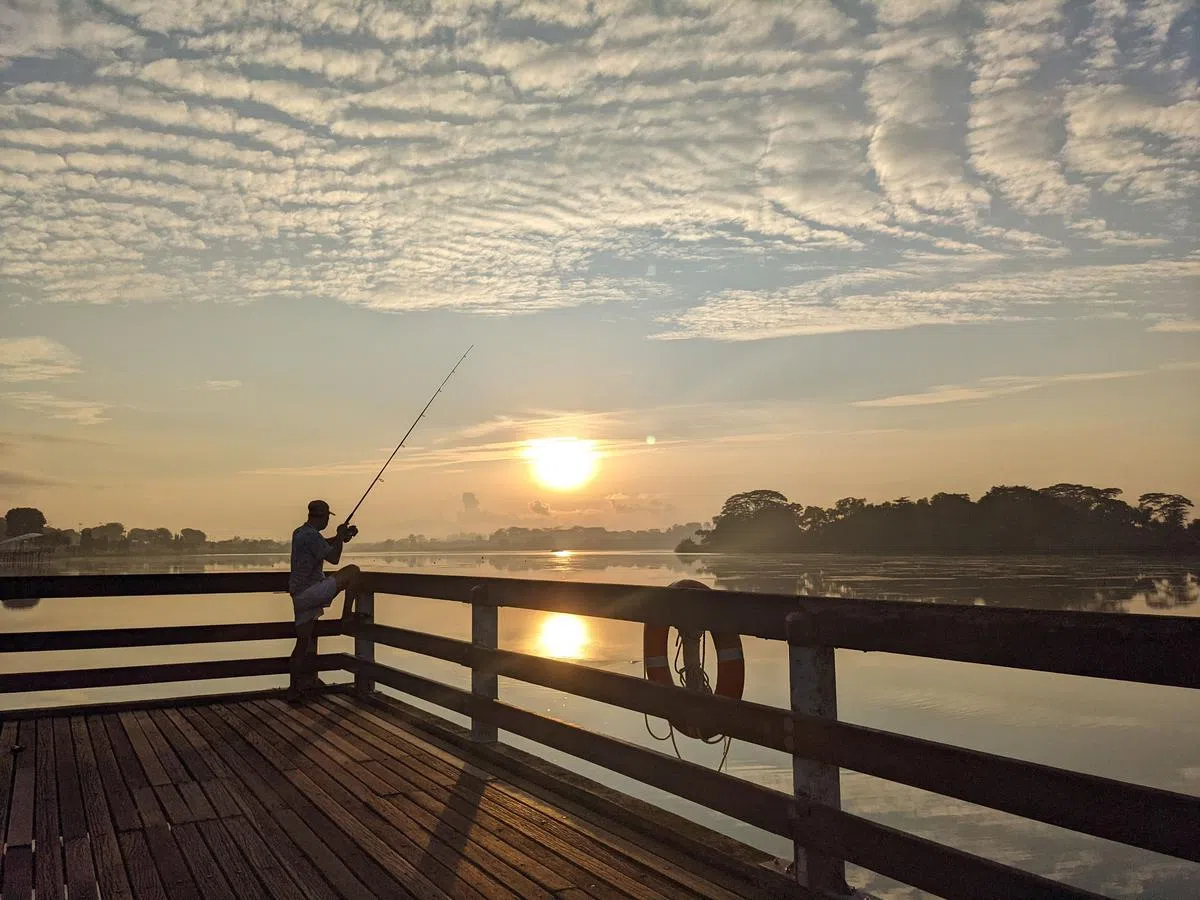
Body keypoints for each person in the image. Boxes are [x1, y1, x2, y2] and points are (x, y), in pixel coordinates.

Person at [287, 499, 361, 703]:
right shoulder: (311, 536)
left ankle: (293, 689)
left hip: (298, 596)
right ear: (324, 516)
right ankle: (346, 616)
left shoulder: (300, 532)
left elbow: (321, 545)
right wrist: (339, 537)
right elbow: (335, 559)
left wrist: (339, 537)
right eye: (328, 516)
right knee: (353, 572)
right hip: (311, 592)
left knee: (302, 644)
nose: (329, 519)